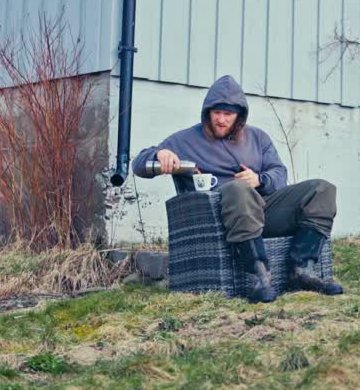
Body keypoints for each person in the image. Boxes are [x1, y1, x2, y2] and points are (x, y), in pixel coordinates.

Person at [132, 75, 344, 303]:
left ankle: (302, 271)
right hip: (218, 219)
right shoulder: (186, 140)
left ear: (239, 116)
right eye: (217, 112)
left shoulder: (258, 138)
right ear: (207, 112)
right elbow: (138, 165)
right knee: (238, 189)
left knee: (322, 189)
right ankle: (260, 278)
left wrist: (260, 179)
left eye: (228, 114)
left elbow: (280, 174)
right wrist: (159, 154)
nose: (221, 119)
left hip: (264, 211)